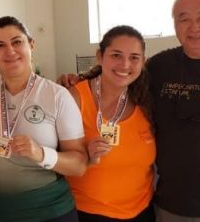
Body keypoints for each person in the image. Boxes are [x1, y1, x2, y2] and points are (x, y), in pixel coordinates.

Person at [58, 0, 200, 221]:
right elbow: (121, 75)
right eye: (184, 18)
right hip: (168, 205)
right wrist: (76, 79)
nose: (194, 26)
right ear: (175, 24)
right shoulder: (159, 66)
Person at [0, 16, 87, 222]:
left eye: (17, 42)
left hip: (48, 212)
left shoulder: (57, 95)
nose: (10, 51)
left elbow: (79, 165)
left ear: (31, 44)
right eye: (0, 45)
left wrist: (41, 154)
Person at [64, 25, 156, 221]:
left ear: (143, 62)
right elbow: (55, 158)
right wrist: (85, 157)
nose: (125, 65)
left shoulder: (148, 100)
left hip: (143, 211)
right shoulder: (74, 98)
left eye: (134, 57)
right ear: (100, 56)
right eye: (116, 55)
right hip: (87, 213)